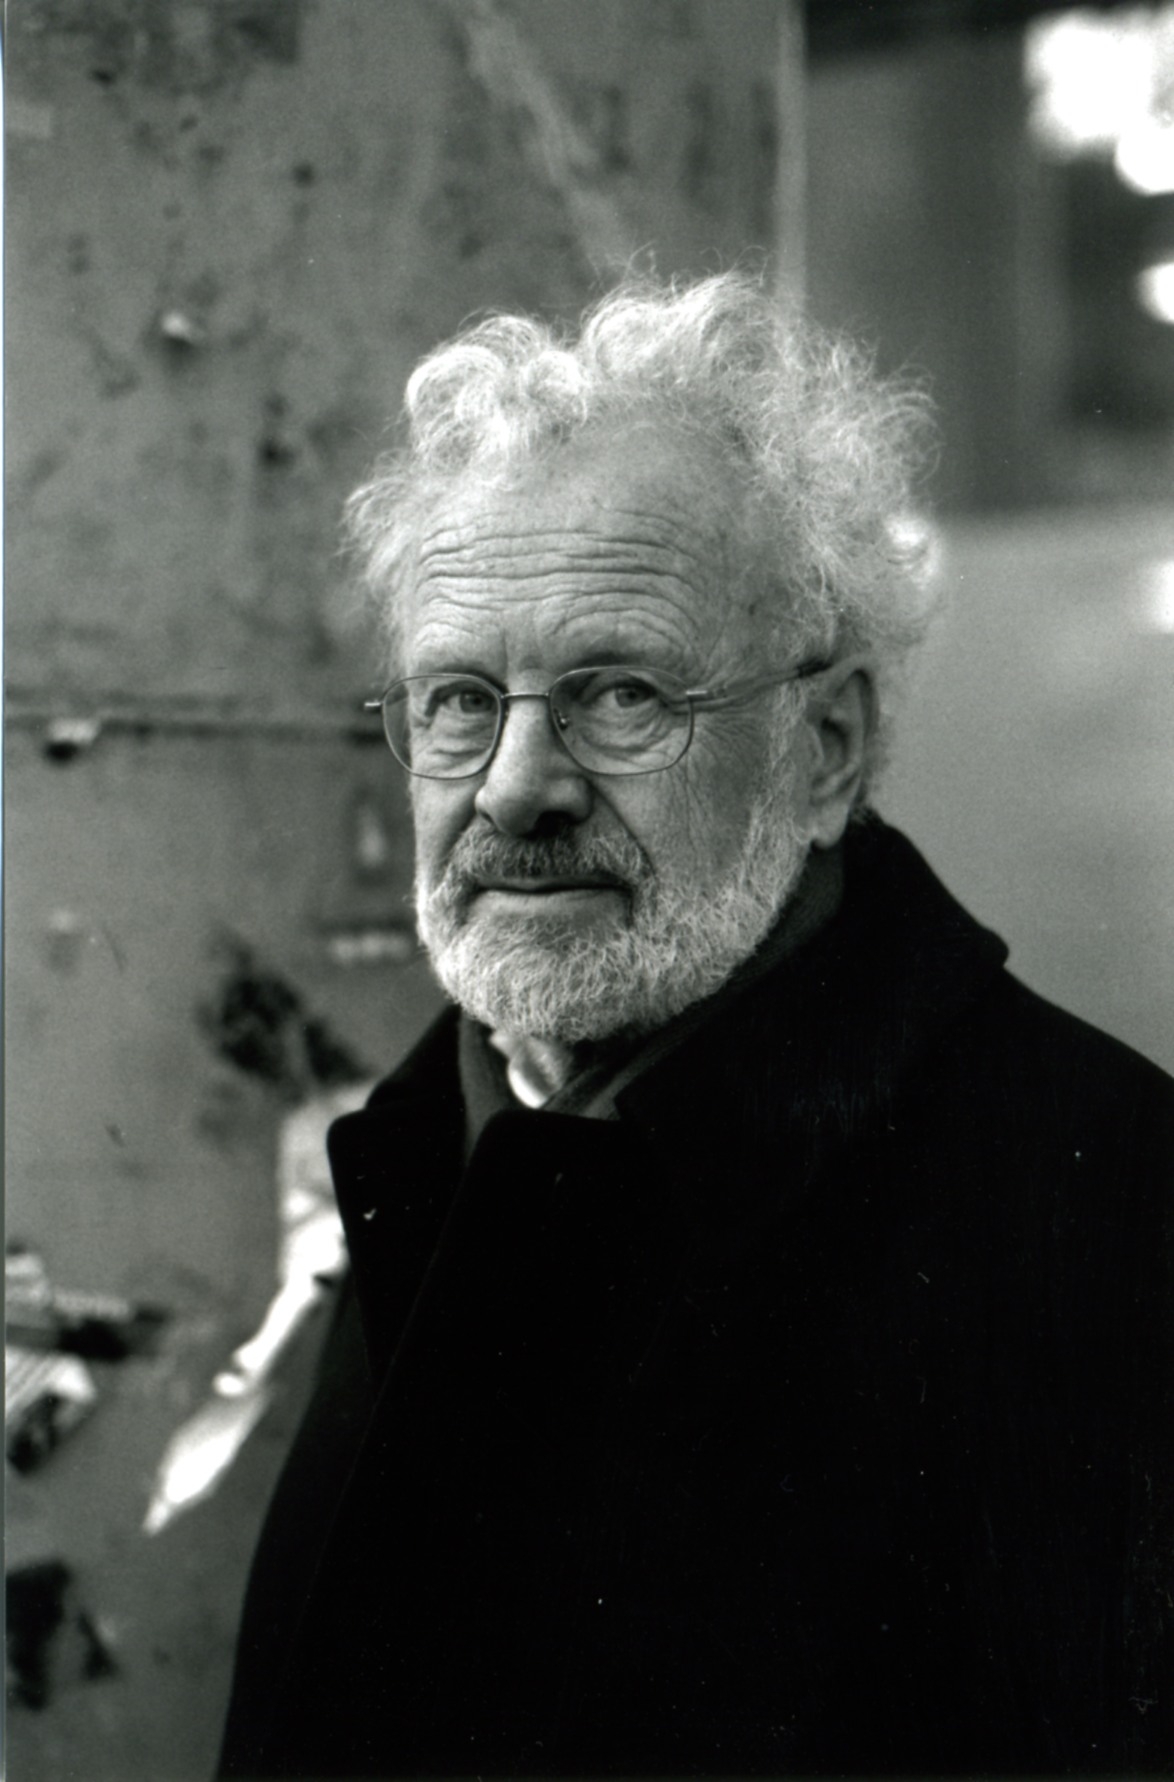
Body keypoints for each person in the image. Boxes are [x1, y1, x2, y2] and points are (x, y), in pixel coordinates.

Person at [218, 273, 1172, 1779]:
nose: (515, 786)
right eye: (458, 700)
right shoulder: (428, 1150)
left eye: (618, 695)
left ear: (826, 747)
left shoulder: (1105, 1208)